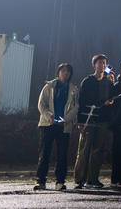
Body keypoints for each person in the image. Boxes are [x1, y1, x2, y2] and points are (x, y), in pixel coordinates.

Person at [35, 62, 79, 191]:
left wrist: (68, 118)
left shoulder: (73, 89)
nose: (66, 73)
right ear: (58, 72)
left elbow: (76, 107)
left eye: (68, 71)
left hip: (64, 125)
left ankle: (60, 181)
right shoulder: (49, 87)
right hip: (48, 124)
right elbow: (41, 104)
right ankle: (41, 181)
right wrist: (49, 116)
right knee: (44, 153)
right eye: (63, 70)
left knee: (62, 155)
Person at [74, 54, 114, 189]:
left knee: (97, 151)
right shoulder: (87, 81)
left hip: (102, 120)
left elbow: (112, 98)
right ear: (93, 65)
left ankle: (93, 179)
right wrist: (80, 121)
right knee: (84, 150)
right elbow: (81, 102)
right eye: (99, 63)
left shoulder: (108, 82)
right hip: (88, 119)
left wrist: (110, 103)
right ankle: (80, 179)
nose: (102, 65)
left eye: (104, 63)